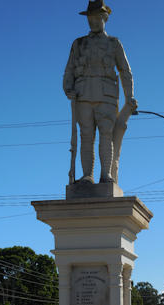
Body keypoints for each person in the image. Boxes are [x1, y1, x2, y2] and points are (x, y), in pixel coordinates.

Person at [63, 0, 137, 184]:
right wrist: (68, 89)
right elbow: (70, 69)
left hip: (107, 96)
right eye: (90, 18)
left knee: (106, 134)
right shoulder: (78, 44)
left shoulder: (114, 43)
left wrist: (129, 97)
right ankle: (88, 175)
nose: (92, 21)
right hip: (83, 95)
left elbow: (125, 71)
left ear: (104, 18)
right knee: (86, 135)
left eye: (96, 17)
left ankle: (106, 175)